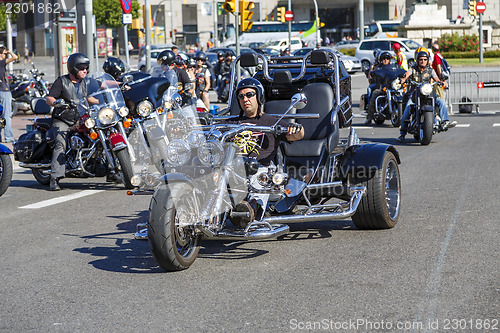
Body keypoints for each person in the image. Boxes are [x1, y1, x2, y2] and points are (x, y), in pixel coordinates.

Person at [45, 53, 95, 190]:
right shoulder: (62, 81)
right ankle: (55, 178)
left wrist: (116, 89)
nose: (85, 70)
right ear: (73, 68)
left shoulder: (85, 82)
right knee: (61, 143)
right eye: (82, 68)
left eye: (87, 68)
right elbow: (49, 98)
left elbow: (93, 94)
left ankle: (112, 170)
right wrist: (57, 103)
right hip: (63, 119)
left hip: (81, 119)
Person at [228, 78, 304, 166]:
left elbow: (298, 135)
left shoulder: (272, 122)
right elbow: (212, 133)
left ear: (259, 96)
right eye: (241, 96)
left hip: (260, 173)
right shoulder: (230, 122)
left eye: (249, 95)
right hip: (231, 170)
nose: (245, 99)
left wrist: (296, 128)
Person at [396, 51, 456, 143]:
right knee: (407, 109)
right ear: (417, 60)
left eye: (425, 59)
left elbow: (436, 79)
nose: (423, 61)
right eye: (420, 59)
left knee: (441, 102)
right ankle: (402, 134)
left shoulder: (430, 70)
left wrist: (442, 82)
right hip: (415, 94)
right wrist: (403, 79)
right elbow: (406, 75)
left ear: (427, 60)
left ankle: (445, 122)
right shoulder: (413, 69)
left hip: (428, 93)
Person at [365, 51, 393, 124]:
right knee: (374, 95)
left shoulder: (393, 67)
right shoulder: (378, 68)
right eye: (384, 58)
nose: (385, 60)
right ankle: (369, 117)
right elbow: (371, 76)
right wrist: (372, 72)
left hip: (391, 88)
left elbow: (397, 73)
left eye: (387, 58)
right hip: (380, 87)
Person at [0, 43, 18, 143]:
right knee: (6, 114)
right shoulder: (1, 62)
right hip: (4, 91)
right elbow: (15, 57)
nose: (6, 55)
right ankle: (8, 137)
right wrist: (10, 52)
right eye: (4, 53)